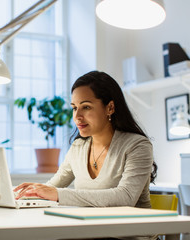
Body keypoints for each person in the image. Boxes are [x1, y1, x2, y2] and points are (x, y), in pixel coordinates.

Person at [14, 70, 157, 208]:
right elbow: (53, 187)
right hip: (90, 229)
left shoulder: (137, 146)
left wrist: (58, 194)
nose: (77, 117)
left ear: (110, 108)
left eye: (86, 107)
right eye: (75, 108)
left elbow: (126, 197)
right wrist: (27, 194)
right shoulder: (78, 147)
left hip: (130, 231)